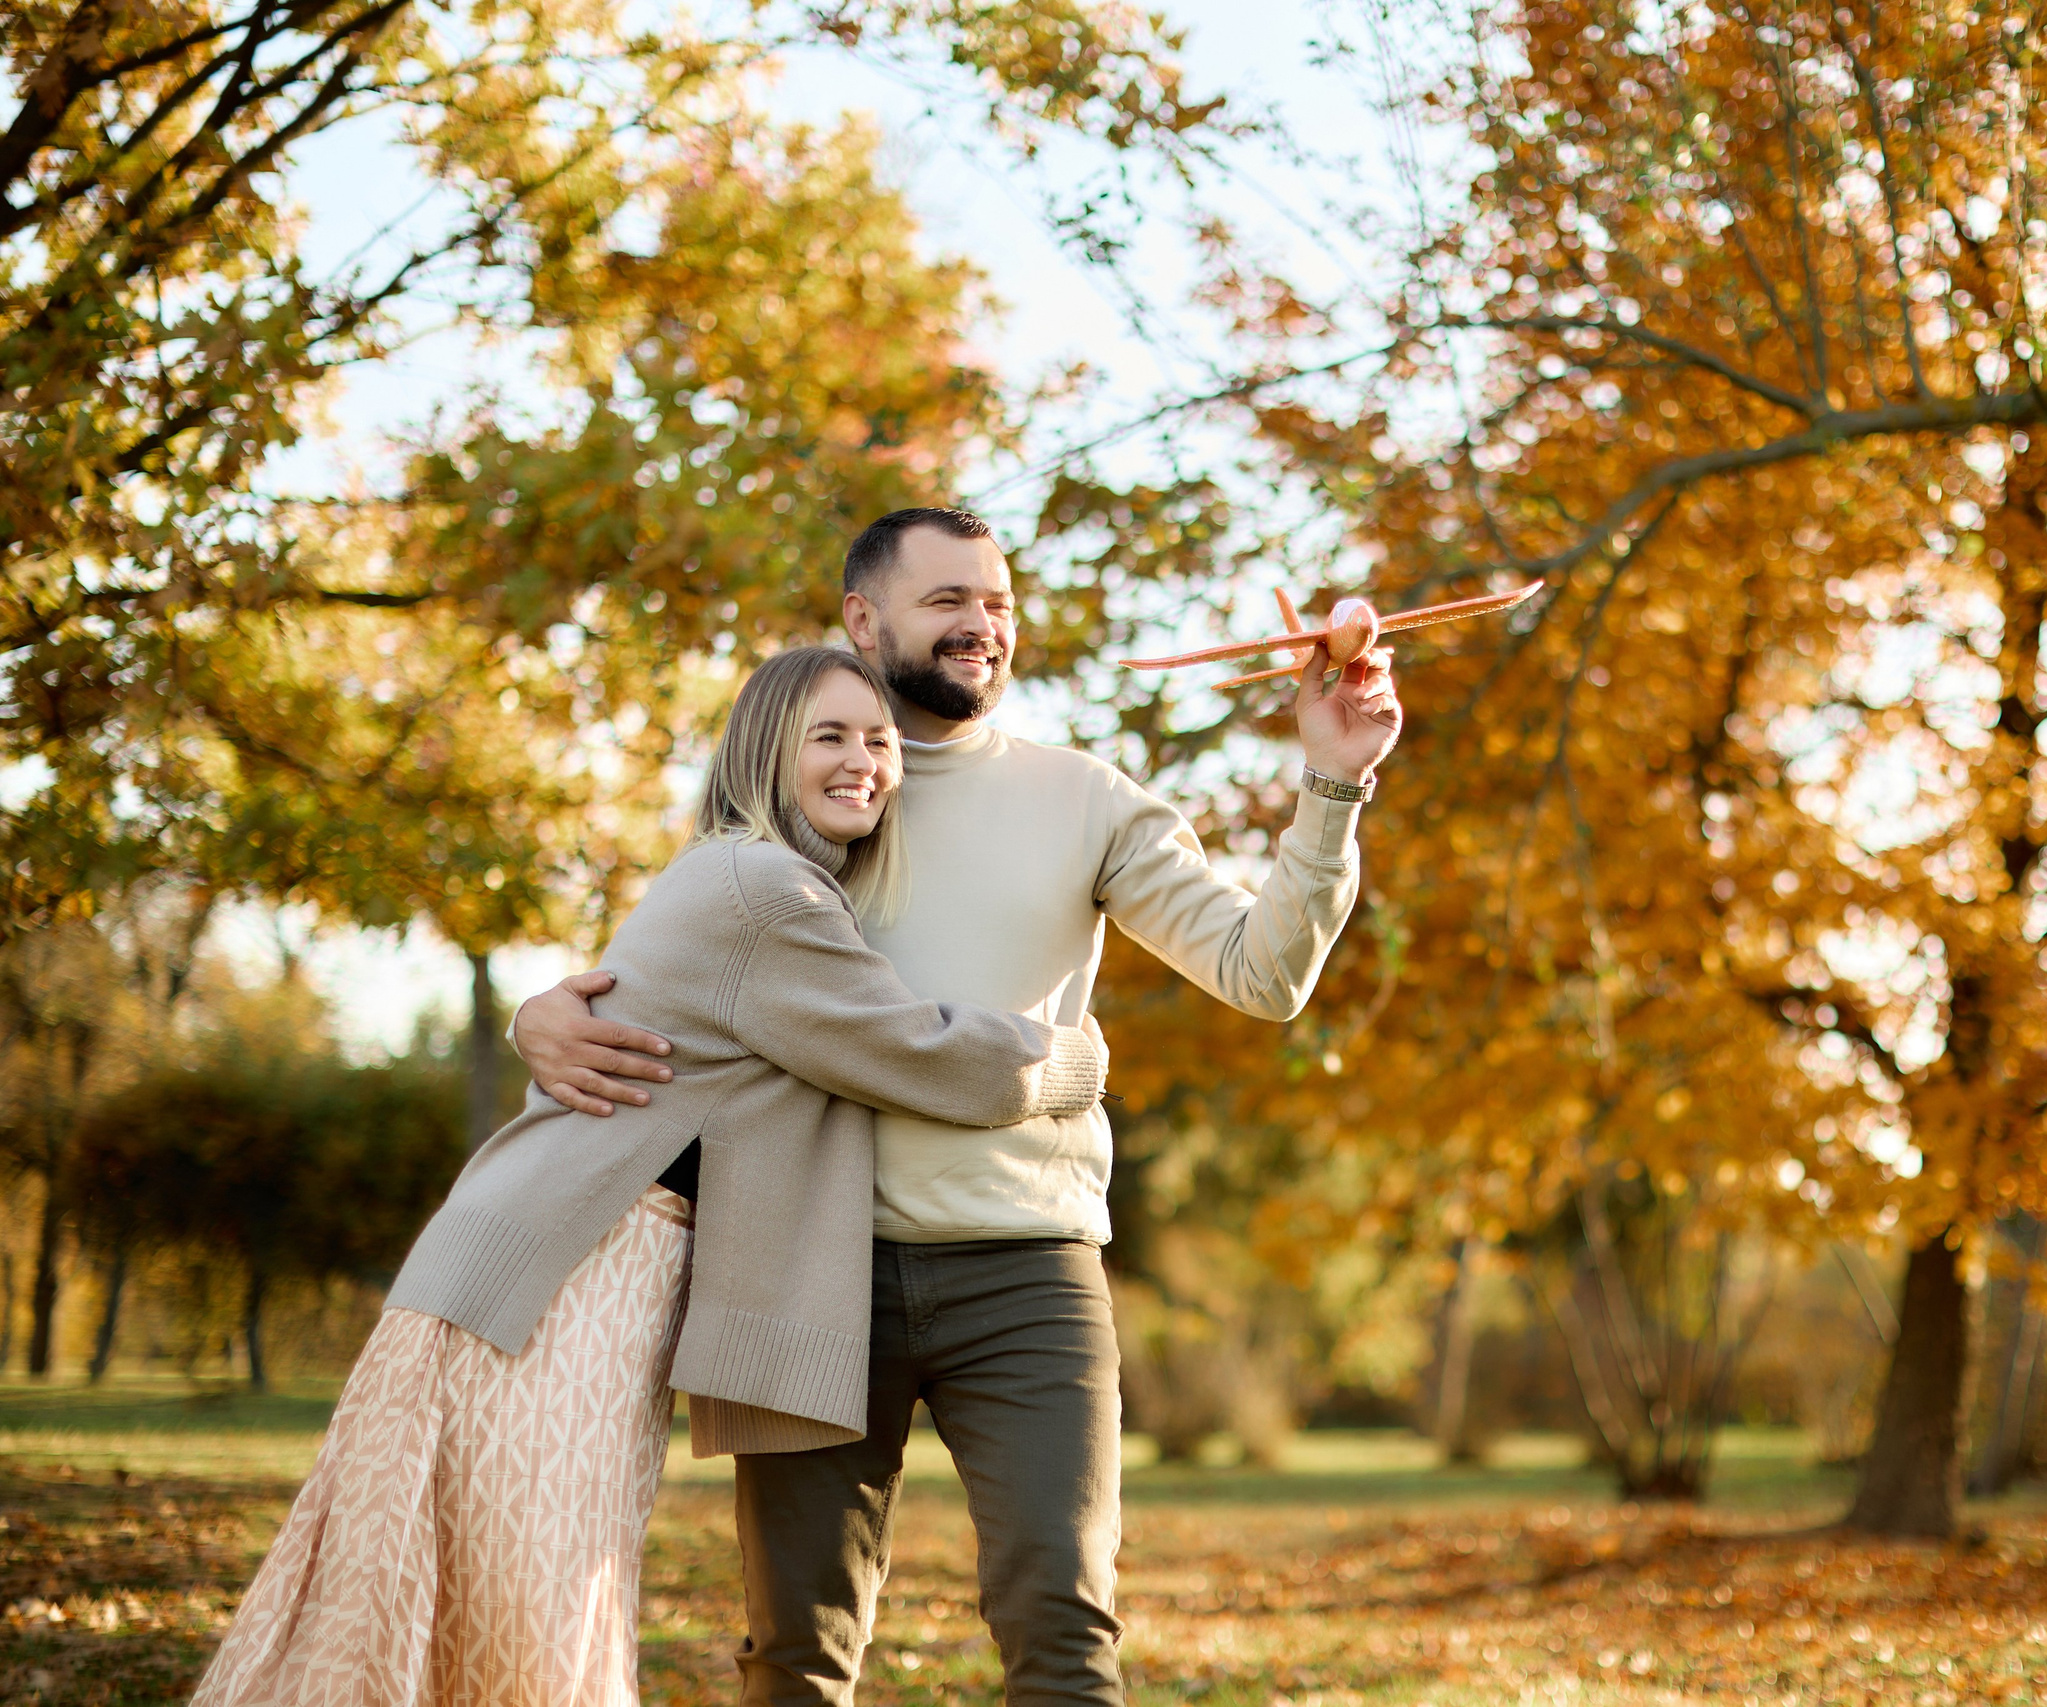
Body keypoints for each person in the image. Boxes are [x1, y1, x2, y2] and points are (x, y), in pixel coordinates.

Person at [513, 506, 1402, 1706]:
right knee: (794, 1653)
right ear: (862, 617)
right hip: (805, 1266)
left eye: (998, 604)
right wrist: (540, 1015)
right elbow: (679, 970)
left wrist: (1333, 783)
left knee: (1062, 1630)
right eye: (947, 601)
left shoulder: (1085, 799)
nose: (982, 625)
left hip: (1028, 1273)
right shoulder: (801, 792)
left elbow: (1264, 974)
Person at [192, 645, 1107, 1707]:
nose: (863, 760)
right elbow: (917, 1053)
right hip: (555, 1289)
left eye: (878, 740)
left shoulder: (754, 877)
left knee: (451, 1614)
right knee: (527, 1618)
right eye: (828, 736)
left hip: (555, 1277)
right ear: (763, 752)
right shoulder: (765, 892)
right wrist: (1075, 1062)